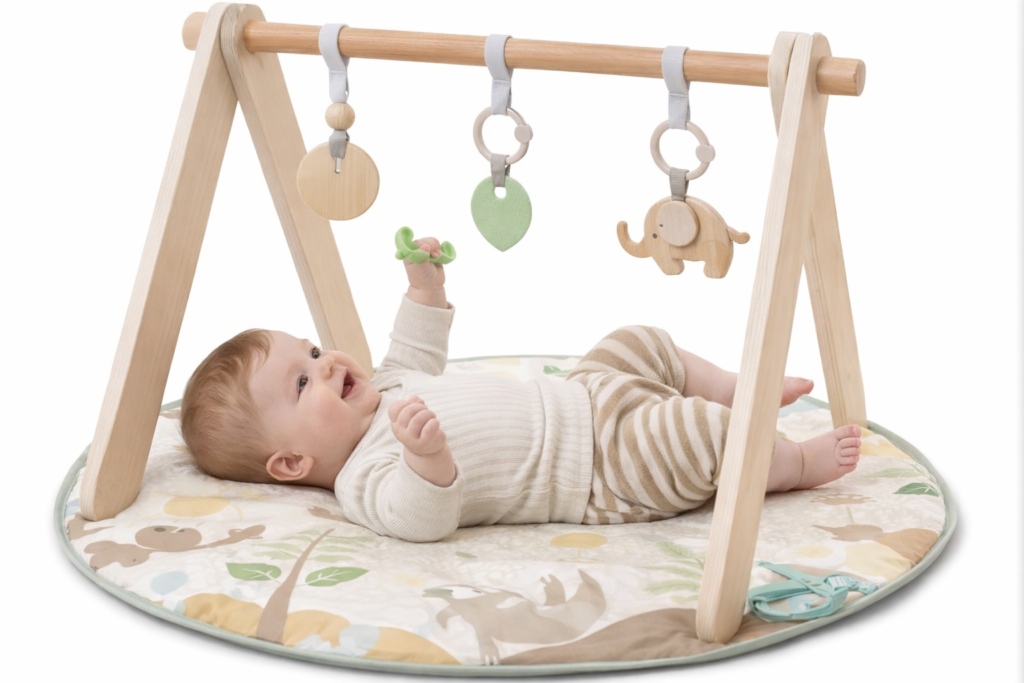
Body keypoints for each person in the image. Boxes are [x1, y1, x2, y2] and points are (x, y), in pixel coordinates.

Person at [181, 236, 861, 542]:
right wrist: (426, 461)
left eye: (314, 349)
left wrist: (424, 289)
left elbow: (414, 348)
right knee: (696, 433)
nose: (327, 362)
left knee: (637, 338)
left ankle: (733, 387)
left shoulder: (386, 385)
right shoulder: (366, 476)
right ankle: (794, 464)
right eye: (303, 380)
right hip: (605, 472)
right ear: (293, 462)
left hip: (586, 395)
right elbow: (421, 519)